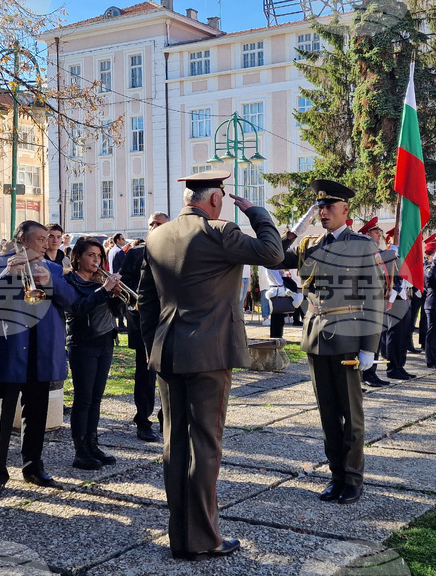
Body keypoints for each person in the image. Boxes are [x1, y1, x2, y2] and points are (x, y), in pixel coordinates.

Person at [138, 170, 283, 560]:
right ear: (215, 199)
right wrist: (258, 214)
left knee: (175, 444)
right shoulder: (219, 232)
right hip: (209, 354)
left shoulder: (157, 236)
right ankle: (203, 539)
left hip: (168, 351)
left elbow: (146, 301)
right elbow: (273, 253)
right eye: (222, 195)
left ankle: (181, 537)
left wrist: (154, 345)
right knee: (205, 444)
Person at [274, 179, 385, 506]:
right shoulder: (308, 243)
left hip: (349, 334)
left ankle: (352, 480)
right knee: (326, 414)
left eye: (328, 207)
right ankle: (336, 476)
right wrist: (295, 229)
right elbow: (275, 257)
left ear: (345, 210)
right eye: (319, 207)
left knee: (351, 415)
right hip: (315, 334)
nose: (323, 213)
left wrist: (369, 347)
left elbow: (374, 297)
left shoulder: (362, 244)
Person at [0, 221, 77, 500]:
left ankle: (33, 467)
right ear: (22, 240)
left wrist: (52, 282)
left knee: (37, 414)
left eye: (48, 238)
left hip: (41, 351)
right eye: (41, 238)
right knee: (3, 416)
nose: (47, 243)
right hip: (9, 350)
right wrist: (9, 274)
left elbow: (70, 301)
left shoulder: (54, 268)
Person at [64, 237, 124, 470]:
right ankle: (80, 451)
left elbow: (117, 311)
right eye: (91, 255)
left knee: (96, 398)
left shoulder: (101, 280)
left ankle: (92, 443)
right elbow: (77, 309)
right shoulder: (69, 281)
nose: (96, 260)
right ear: (78, 257)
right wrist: (104, 290)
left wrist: (116, 294)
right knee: (83, 398)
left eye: (99, 256)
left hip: (105, 341)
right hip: (82, 343)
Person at [118, 211, 169, 442]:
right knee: (145, 373)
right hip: (142, 322)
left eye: (160, 224)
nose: (155, 227)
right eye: (152, 224)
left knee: (169, 374)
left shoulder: (175, 252)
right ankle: (143, 419)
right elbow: (125, 284)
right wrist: (134, 301)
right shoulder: (135, 253)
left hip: (169, 322)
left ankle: (166, 418)